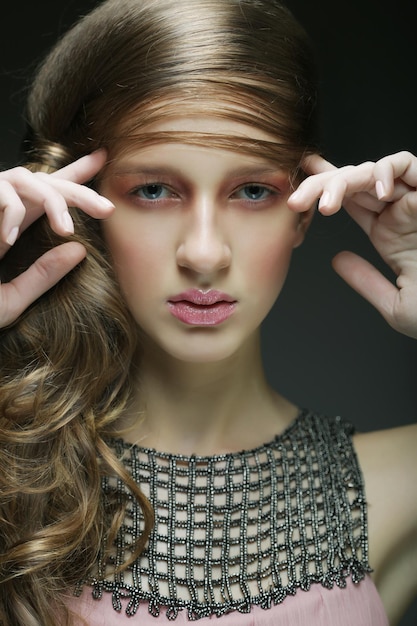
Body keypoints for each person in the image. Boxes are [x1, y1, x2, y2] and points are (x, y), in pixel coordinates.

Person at [0, 0, 416, 625]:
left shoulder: (402, 483)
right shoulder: (13, 478)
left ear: (302, 211)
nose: (203, 253)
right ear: (81, 206)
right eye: (154, 190)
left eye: (253, 191)